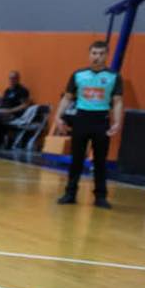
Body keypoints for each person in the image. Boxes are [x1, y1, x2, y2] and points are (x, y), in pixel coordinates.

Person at [54, 41, 124, 208]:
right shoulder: (78, 75)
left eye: (101, 54)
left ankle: (100, 197)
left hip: (101, 121)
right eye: (94, 53)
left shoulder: (114, 77)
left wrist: (117, 122)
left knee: (100, 161)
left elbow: (117, 101)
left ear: (106, 55)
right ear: (89, 54)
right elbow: (67, 98)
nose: (97, 57)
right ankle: (70, 193)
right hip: (81, 119)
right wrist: (57, 117)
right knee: (76, 159)